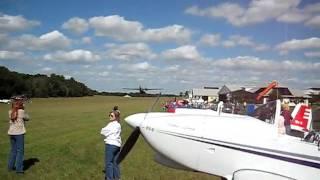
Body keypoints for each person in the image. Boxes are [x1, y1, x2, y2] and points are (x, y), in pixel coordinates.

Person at [8, 100, 29, 174]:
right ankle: (19, 170)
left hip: (11, 133)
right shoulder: (21, 112)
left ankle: (10, 167)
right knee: (20, 151)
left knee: (13, 150)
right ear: (20, 105)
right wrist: (24, 109)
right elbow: (28, 118)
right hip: (19, 133)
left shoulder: (10, 111)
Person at [101, 110, 121, 180]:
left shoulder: (111, 124)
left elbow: (103, 131)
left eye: (112, 115)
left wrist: (105, 130)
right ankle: (117, 178)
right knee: (115, 163)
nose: (110, 116)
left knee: (109, 163)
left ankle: (109, 178)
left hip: (110, 145)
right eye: (109, 115)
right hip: (117, 146)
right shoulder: (118, 125)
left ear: (116, 117)